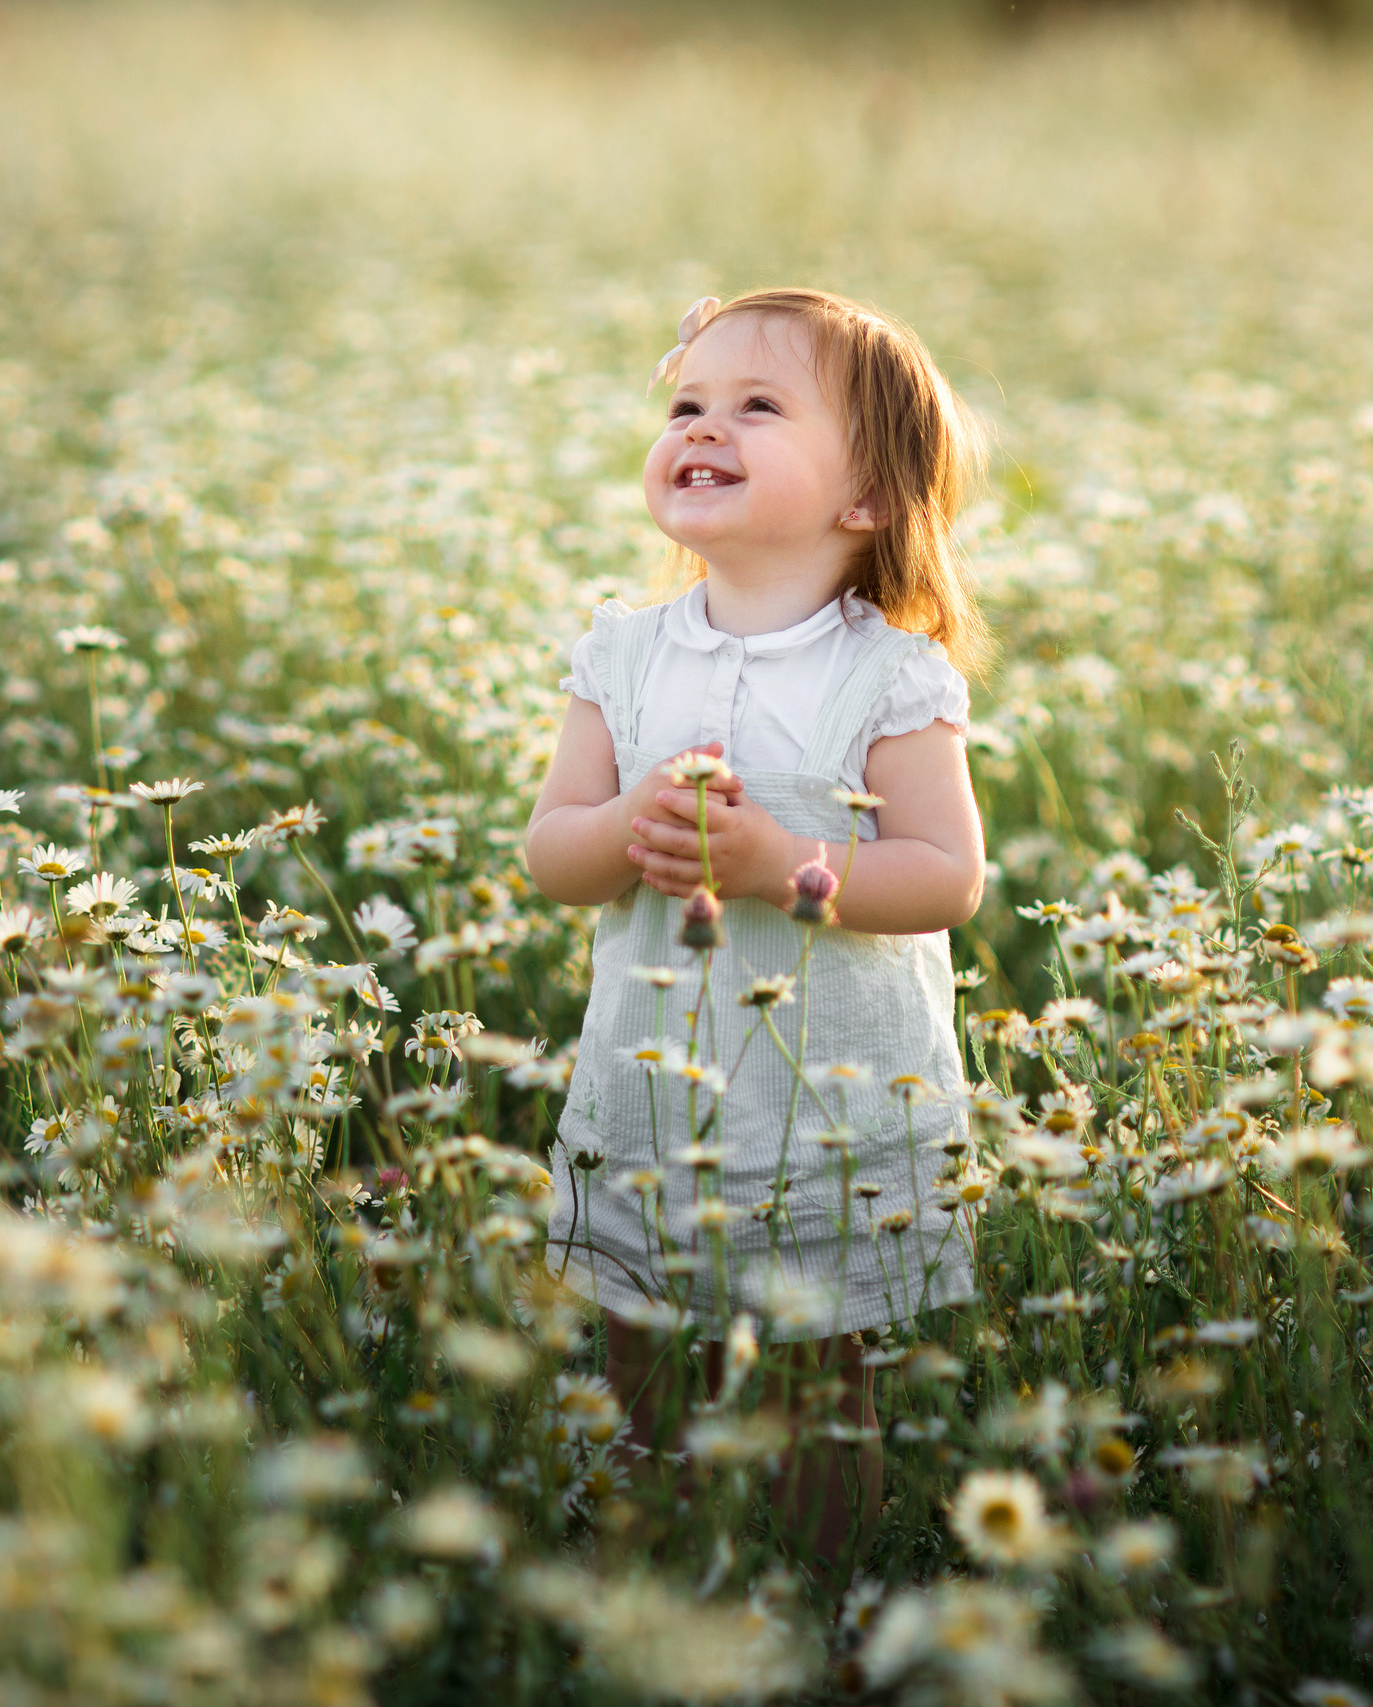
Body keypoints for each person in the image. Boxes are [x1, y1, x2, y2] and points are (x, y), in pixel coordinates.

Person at [523, 288, 991, 1585]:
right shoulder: (622, 653)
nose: (703, 426)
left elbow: (945, 877)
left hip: (823, 1104)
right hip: (650, 1092)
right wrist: (627, 826)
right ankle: (642, 1587)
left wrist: (787, 865)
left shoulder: (890, 674)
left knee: (813, 1389)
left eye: (758, 406)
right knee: (633, 1361)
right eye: (686, 402)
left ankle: (820, 1602)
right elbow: (552, 853)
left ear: (868, 499)